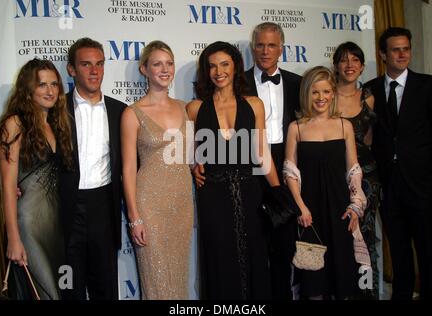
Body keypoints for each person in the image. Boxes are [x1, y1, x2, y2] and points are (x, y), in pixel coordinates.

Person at [186, 41, 280, 299]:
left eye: (224, 64)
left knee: (254, 255)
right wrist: (194, 165)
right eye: (212, 66)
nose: (218, 71)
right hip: (212, 196)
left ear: (236, 66)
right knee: (219, 259)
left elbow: (262, 153)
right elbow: (189, 153)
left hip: (250, 192)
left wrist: (279, 192)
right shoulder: (194, 109)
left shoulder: (254, 104)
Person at [365, 27, 432, 300]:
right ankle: (401, 294)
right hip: (389, 186)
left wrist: (431, 174)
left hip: (421, 183)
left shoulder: (431, 86)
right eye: (395, 49)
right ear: (383, 54)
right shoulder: (370, 89)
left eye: (405, 49)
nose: (402, 54)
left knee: (428, 248)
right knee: (397, 248)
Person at [283, 66, 366, 299]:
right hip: (310, 211)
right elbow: (290, 171)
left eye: (327, 92)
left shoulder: (344, 126)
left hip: (340, 209)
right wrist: (301, 206)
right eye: (315, 92)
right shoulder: (296, 128)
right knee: (313, 275)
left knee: (342, 273)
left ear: (333, 93)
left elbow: (353, 170)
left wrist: (355, 206)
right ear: (307, 94)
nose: (321, 98)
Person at [121, 40, 193, 299]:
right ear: (144, 70)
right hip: (149, 206)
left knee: (179, 280)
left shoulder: (186, 108)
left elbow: (194, 155)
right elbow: (128, 168)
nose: (165, 69)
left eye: (169, 63)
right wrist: (134, 216)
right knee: (156, 282)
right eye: (157, 64)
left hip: (182, 204)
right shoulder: (133, 113)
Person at [0, 58, 73, 299]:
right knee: (44, 293)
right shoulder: (15, 124)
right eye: (42, 85)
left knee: (60, 292)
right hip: (28, 225)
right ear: (28, 89)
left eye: (54, 84)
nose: (50, 91)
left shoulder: (56, 124)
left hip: (55, 226)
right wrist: (13, 238)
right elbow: (8, 187)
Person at [60, 37, 126, 300]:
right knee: (68, 286)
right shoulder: (55, 110)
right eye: (86, 64)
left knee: (105, 288)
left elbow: (138, 161)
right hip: (64, 211)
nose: (94, 71)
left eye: (99, 64)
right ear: (72, 69)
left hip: (103, 208)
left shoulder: (120, 111)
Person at [245, 22, 302, 300]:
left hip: (286, 163)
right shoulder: (238, 82)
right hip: (248, 167)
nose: (265, 51)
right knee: (254, 243)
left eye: (271, 45)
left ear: (281, 48)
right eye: (260, 45)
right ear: (252, 47)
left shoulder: (297, 82)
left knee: (284, 243)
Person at [333, 41, 381, 299]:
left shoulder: (368, 97)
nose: (349, 65)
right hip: (337, 177)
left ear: (362, 66)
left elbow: (370, 139)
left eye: (355, 60)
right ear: (336, 66)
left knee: (365, 237)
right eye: (344, 60)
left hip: (368, 180)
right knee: (342, 236)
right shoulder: (326, 95)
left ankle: (367, 293)